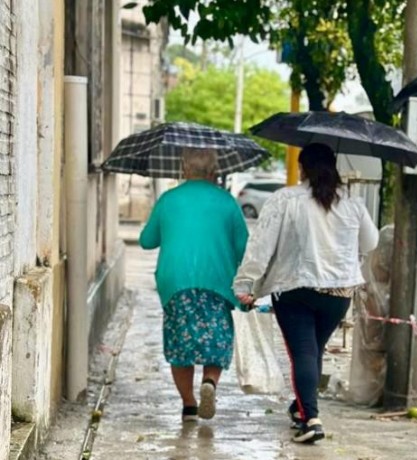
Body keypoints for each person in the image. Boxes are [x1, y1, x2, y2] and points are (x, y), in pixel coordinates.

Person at [234, 143, 379, 444]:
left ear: (302, 168)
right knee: (313, 351)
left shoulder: (286, 199)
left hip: (296, 289)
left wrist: (246, 284)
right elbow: (370, 243)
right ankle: (300, 408)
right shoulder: (352, 202)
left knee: (303, 353)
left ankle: (311, 418)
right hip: (339, 293)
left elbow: (261, 246)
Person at [139, 150, 249, 423]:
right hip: (218, 281)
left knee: (180, 344)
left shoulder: (168, 199)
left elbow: (146, 240)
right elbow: (244, 247)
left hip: (176, 282)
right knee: (217, 338)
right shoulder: (227, 202)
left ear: (184, 170)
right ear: (214, 172)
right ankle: (210, 381)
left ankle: (189, 405)